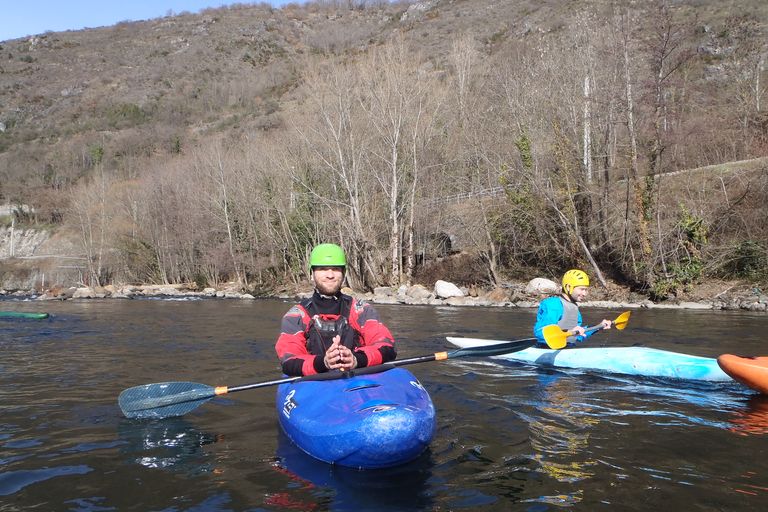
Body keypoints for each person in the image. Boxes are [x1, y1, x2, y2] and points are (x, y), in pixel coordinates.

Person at [275, 243, 397, 376]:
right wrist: (323, 363)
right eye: (322, 269)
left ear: (343, 274)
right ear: (311, 274)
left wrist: (356, 359)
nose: (330, 275)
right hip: (316, 382)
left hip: (357, 378)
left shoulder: (362, 310)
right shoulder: (296, 316)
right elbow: (289, 359)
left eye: (336, 269)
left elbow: (386, 346)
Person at [533, 269, 612, 347]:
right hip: (548, 349)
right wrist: (569, 331)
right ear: (568, 287)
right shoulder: (553, 304)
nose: (584, 293)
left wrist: (598, 327)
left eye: (586, 290)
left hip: (568, 348)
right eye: (582, 289)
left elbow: (577, 337)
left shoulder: (574, 308)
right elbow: (540, 333)